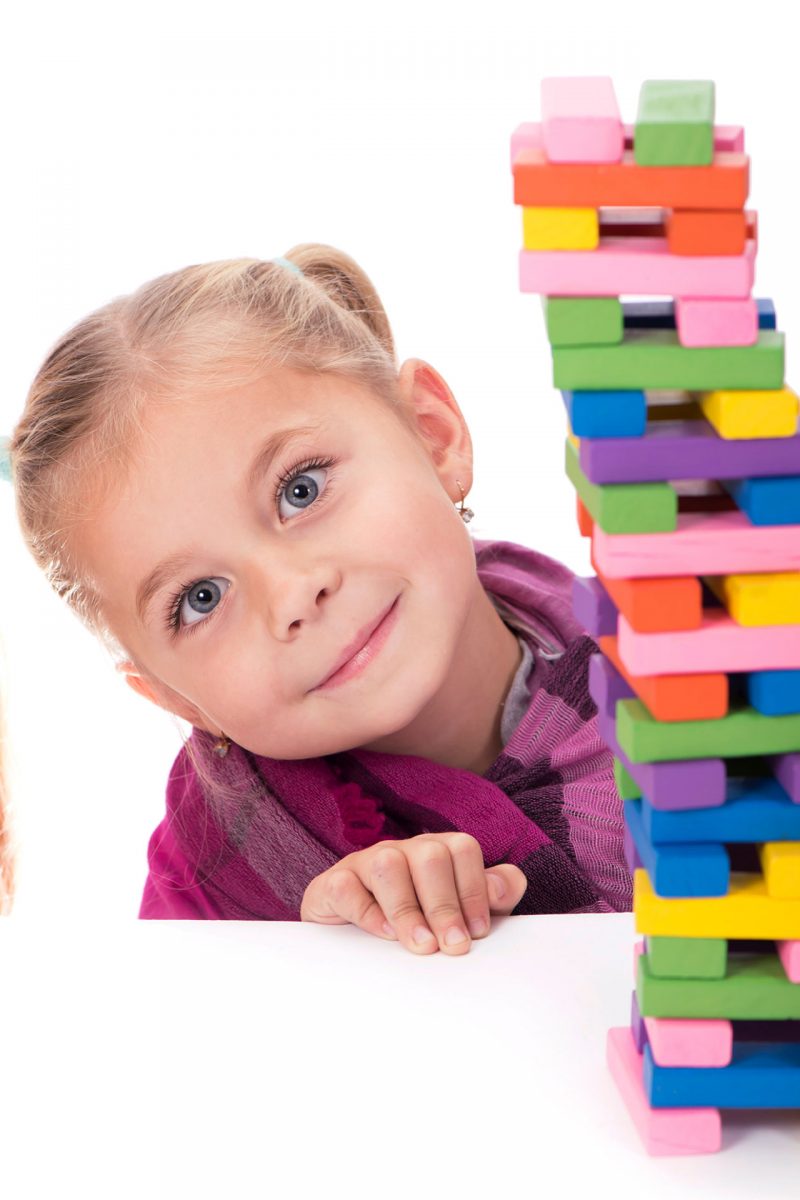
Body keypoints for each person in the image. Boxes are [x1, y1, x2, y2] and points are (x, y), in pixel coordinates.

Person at [7, 245, 631, 953]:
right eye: (201, 598)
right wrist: (320, 961)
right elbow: (185, 1053)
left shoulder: (700, 675)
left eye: (299, 489)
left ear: (433, 434)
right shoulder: (208, 881)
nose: (292, 597)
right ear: (176, 698)